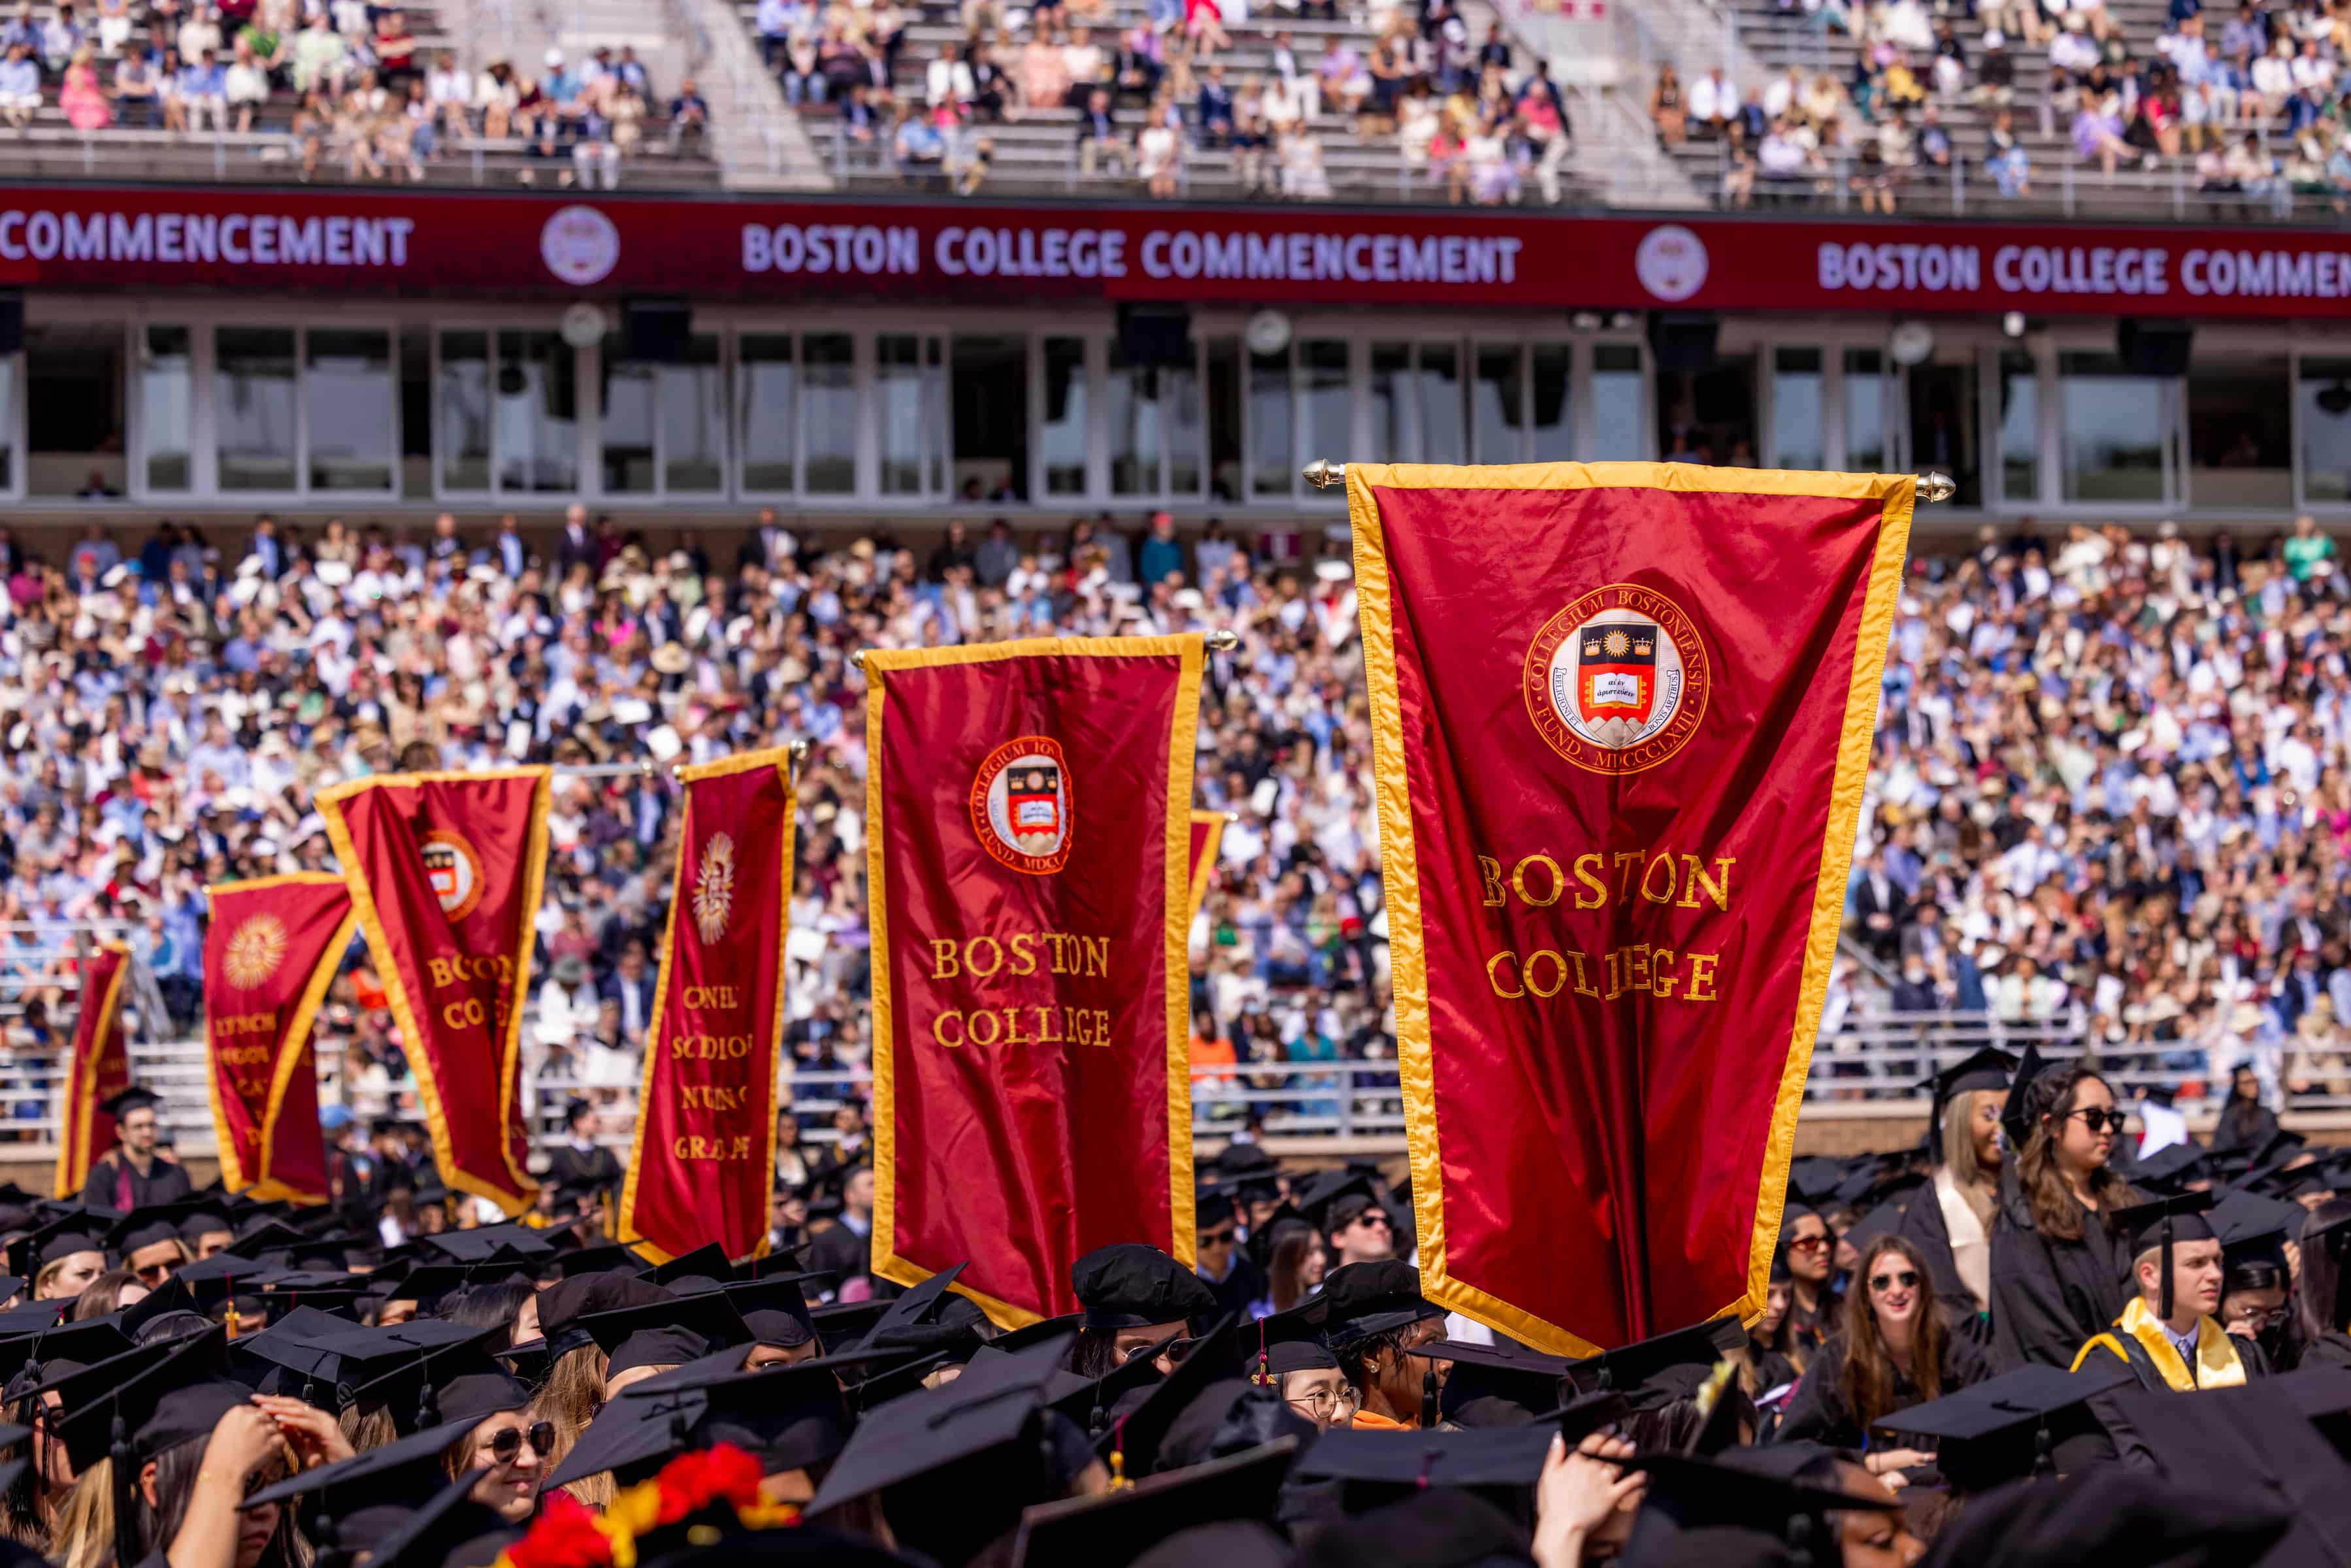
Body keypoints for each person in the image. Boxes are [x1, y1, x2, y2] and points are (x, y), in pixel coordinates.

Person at [1774, 1234, 1994, 1469]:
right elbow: (1792, 1445)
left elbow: (1993, 1422)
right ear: (1866, 1295)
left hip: (1945, 1480)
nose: (1897, 1290)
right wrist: (1872, 1464)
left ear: (1923, 1287)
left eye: (1908, 1279)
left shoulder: (1951, 1348)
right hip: (1870, 1490)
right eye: (1882, 1282)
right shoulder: (1840, 1357)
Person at [1992, 1061, 2139, 1369]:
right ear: (2052, 1125)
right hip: (2071, 1388)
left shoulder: (2122, 1201)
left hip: (2136, 1378)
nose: (2109, 1129)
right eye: (2094, 1118)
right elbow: (2042, 1330)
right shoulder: (2023, 1215)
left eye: (2113, 1117)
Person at [1899, 1047, 2013, 1329]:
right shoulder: (1935, 1201)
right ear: (1960, 1122)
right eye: (1989, 1116)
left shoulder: (2030, 1188)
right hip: (1972, 1357)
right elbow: (1941, 1303)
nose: (2001, 1129)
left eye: (2007, 1114)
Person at [78, 1088, 194, 1211]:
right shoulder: (104, 1177)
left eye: (151, 1125)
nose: (147, 1132)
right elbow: (96, 1227)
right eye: (138, 1127)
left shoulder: (175, 1174)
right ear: (121, 1132)